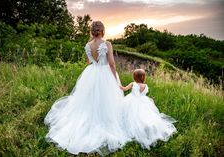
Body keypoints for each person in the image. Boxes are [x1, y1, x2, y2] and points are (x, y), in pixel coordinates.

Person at [44, 21, 129, 155]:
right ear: (102, 31)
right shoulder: (107, 44)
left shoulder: (87, 45)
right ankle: (105, 122)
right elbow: (112, 63)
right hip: (105, 73)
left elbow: (89, 61)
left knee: (87, 101)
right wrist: (115, 80)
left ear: (92, 31)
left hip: (91, 73)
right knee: (106, 100)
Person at [120, 69, 177, 149]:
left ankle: (133, 129)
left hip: (132, 101)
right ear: (143, 77)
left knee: (131, 115)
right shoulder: (145, 86)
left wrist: (118, 85)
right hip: (144, 102)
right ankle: (146, 129)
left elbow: (124, 89)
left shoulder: (133, 84)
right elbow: (143, 94)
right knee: (145, 116)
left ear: (135, 77)